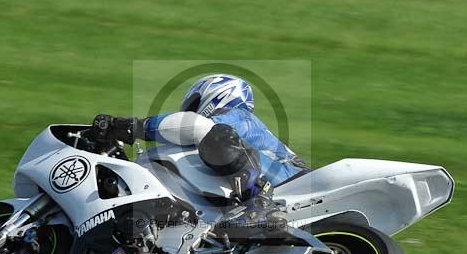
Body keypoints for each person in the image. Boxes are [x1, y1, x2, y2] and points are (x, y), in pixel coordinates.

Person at [96, 74, 310, 233]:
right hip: (292, 186)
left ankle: (259, 204)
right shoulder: (249, 131)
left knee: (212, 135)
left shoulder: (237, 116)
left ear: (217, 94)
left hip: (287, 185)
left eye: (191, 106)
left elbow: (196, 126)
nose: (187, 113)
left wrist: (133, 127)